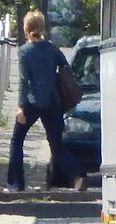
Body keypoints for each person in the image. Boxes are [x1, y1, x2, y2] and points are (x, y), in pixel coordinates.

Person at [6, 10, 86, 192]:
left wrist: (20, 107)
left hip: (33, 102)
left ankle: (15, 184)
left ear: (26, 29)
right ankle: (78, 175)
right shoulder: (51, 48)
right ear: (42, 28)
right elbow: (65, 65)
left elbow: (23, 81)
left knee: (16, 141)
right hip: (52, 101)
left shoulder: (24, 52)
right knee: (56, 145)